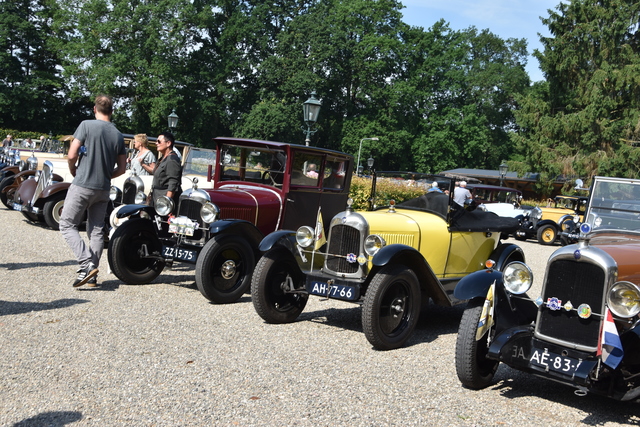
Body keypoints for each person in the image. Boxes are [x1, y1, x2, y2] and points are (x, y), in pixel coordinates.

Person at [59, 95, 126, 288]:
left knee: (66, 224)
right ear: (112, 111)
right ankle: (92, 274)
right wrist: (105, 176)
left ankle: (86, 263)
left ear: (94, 109)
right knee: (96, 230)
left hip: (82, 184)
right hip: (103, 188)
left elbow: (72, 154)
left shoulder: (86, 125)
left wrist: (73, 170)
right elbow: (121, 169)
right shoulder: (118, 134)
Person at [150, 132, 182, 207]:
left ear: (168, 143)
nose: (156, 143)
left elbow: (173, 183)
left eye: (159, 141)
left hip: (164, 202)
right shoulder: (163, 158)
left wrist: (167, 203)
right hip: (157, 198)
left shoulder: (172, 160)